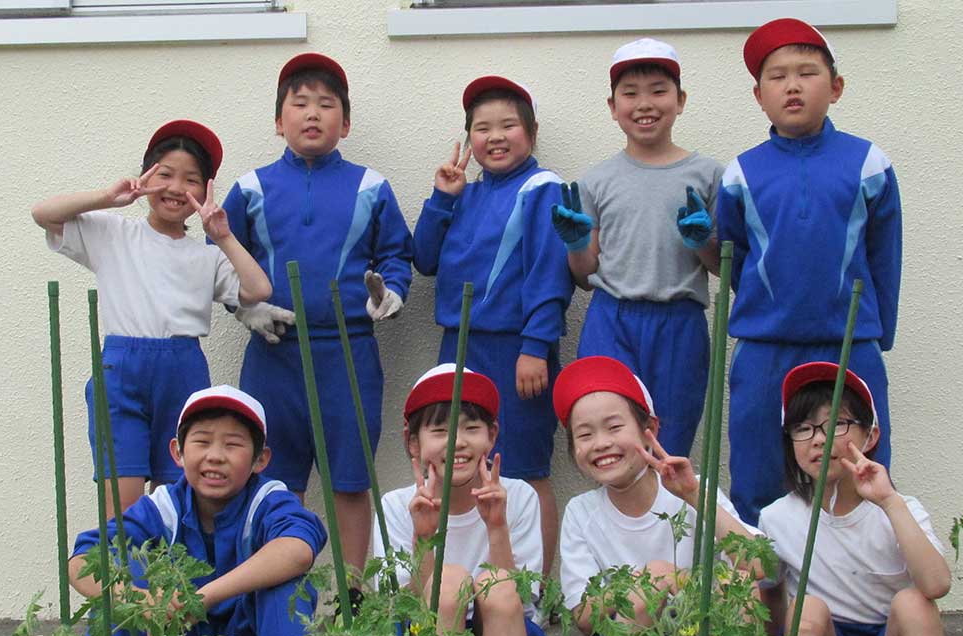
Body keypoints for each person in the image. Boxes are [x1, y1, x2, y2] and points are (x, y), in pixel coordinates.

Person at [220, 53, 414, 579]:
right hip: (274, 353)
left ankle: (353, 591)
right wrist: (243, 308)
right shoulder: (251, 188)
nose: (312, 113)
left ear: (344, 123)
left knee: (350, 478)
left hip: (348, 352)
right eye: (299, 103)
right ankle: (281, 591)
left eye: (326, 105)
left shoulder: (371, 186)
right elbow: (219, 258)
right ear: (278, 120)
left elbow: (396, 254)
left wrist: (390, 292)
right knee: (272, 480)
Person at [32, 120, 272, 515]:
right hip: (121, 367)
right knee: (123, 503)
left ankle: (172, 578)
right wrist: (107, 198)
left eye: (191, 179)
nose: (176, 188)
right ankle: (122, 578)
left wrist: (223, 235)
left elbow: (258, 290)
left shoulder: (206, 255)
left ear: (205, 190)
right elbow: (43, 214)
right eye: (165, 175)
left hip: (183, 368)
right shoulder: (113, 233)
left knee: (178, 498)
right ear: (145, 178)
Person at [717, 18, 903, 525]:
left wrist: (876, 334)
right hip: (764, 350)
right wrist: (768, 312)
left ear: (836, 87)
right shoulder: (740, 173)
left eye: (807, 73)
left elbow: (885, 256)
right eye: (777, 76)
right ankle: (761, 595)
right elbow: (737, 260)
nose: (792, 85)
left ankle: (861, 593)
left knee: (861, 471)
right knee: (757, 471)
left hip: (848, 345)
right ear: (759, 95)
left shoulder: (868, 163)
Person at [68, 385, 328, 636]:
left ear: (260, 459)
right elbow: (83, 562)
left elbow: (298, 550)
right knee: (120, 575)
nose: (215, 456)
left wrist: (201, 598)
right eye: (202, 442)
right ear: (177, 452)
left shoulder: (267, 500)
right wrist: (142, 600)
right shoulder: (163, 507)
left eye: (233, 444)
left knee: (287, 588)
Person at [759, 362, 949, 636]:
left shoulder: (900, 507)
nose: (819, 439)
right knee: (805, 606)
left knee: (914, 602)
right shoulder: (777, 517)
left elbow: (937, 584)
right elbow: (769, 600)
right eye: (803, 429)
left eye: (837, 423)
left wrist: (888, 500)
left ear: (871, 436)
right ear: (790, 444)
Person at [412, 75, 573, 584]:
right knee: (449, 467)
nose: (495, 136)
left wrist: (536, 345)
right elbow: (424, 259)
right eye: (482, 128)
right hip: (456, 348)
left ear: (532, 132)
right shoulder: (464, 192)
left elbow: (552, 272)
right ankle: (448, 584)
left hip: (516, 352)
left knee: (523, 468)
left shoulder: (542, 188)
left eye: (508, 125)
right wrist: (441, 198)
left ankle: (536, 588)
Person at [551, 38, 723, 458]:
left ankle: (669, 523)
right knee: (605, 436)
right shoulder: (597, 181)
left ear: (680, 100)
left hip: (680, 323)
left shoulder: (709, 174)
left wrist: (702, 243)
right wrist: (575, 245)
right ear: (612, 107)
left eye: (658, 90)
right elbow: (584, 274)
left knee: (670, 441)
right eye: (630, 93)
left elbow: (723, 267)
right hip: (611, 318)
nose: (644, 103)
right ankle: (614, 519)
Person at [373, 364, 551, 636]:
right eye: (440, 430)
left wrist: (496, 525)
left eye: (472, 428)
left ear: (492, 435)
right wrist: (423, 538)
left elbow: (524, 599)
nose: (458, 442)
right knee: (449, 583)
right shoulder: (395, 505)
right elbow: (400, 605)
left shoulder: (518, 496)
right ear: (413, 442)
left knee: (496, 586)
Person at [552, 356, 757, 636]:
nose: (601, 443)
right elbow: (582, 615)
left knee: (740, 585)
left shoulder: (692, 489)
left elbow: (757, 565)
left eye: (614, 427)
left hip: (700, 635)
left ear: (650, 430)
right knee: (639, 600)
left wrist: (694, 496)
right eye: (584, 434)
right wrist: (646, 581)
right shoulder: (581, 512)